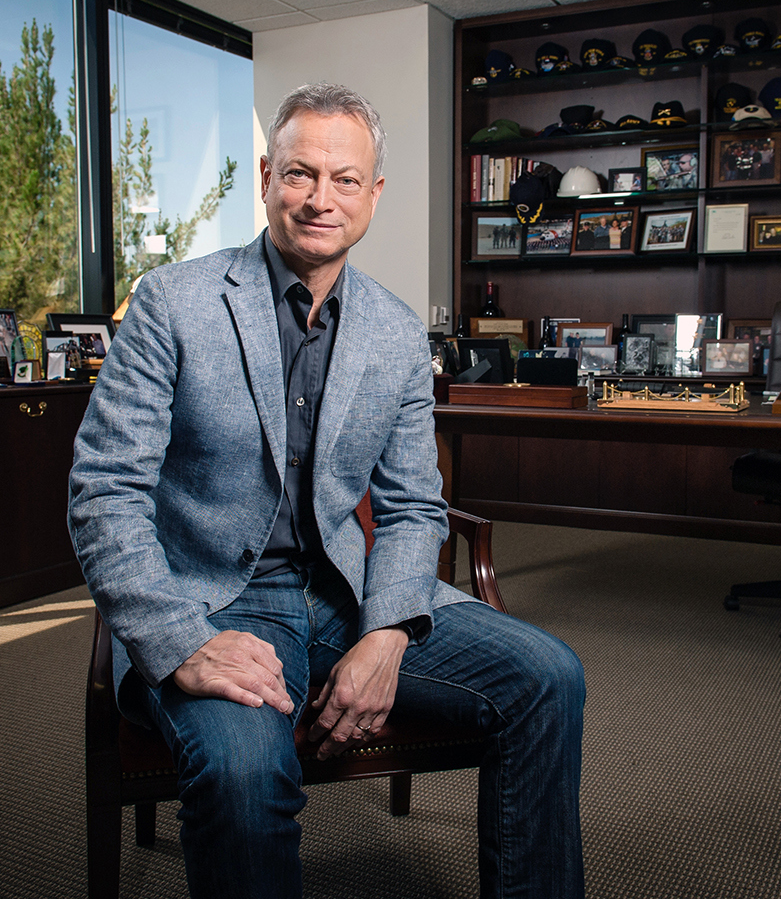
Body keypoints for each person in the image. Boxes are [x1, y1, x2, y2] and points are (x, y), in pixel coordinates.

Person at [68, 83, 585, 899]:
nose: (320, 199)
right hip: (214, 602)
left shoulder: (397, 332)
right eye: (301, 174)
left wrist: (386, 633)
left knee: (549, 677)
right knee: (242, 772)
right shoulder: (174, 302)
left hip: (349, 592)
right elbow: (105, 491)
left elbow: (415, 506)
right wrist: (180, 640)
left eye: (346, 179)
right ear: (268, 177)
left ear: (374, 194)